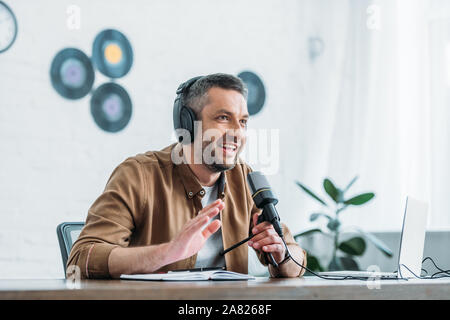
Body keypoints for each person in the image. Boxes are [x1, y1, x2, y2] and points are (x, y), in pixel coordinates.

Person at [67, 73, 307, 279]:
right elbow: (81, 259)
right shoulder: (138, 175)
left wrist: (283, 255)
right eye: (224, 118)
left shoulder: (245, 178)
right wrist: (168, 252)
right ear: (188, 123)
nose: (237, 133)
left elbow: (296, 257)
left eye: (243, 121)